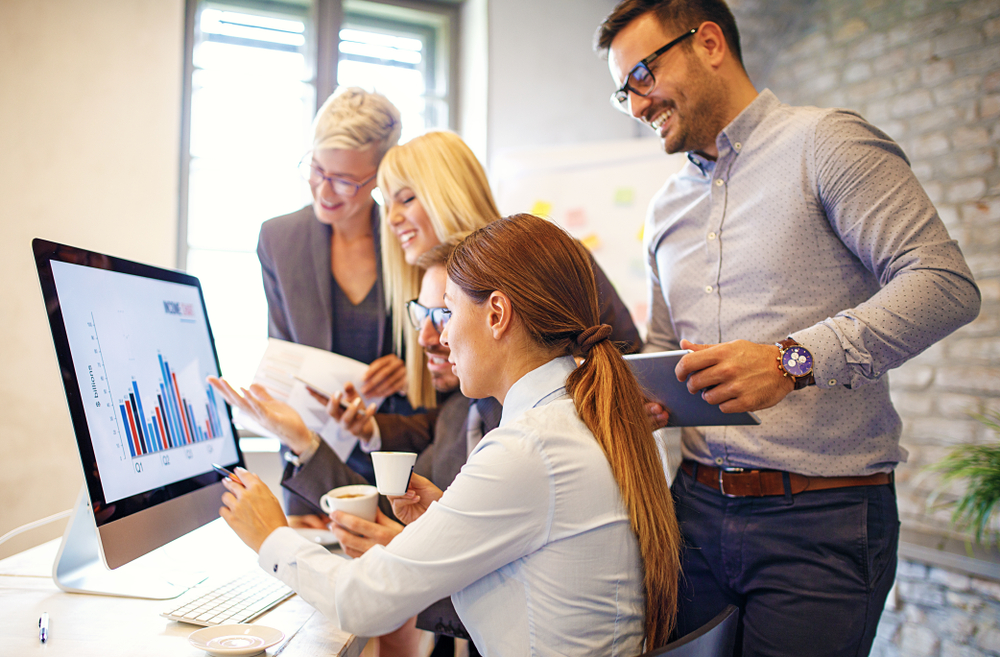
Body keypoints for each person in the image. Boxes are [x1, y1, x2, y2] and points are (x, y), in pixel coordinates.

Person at [596, 0, 982, 655]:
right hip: (693, 512)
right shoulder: (663, 210)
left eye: (642, 75)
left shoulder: (826, 143)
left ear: (709, 43)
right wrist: (650, 393)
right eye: (622, 92)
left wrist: (790, 360)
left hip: (823, 521)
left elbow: (943, 284)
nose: (635, 105)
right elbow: (664, 342)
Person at [217, 213, 683, 655]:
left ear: (497, 314)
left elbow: (360, 602)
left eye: (450, 311)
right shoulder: (585, 418)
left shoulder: (528, 447)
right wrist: (442, 520)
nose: (439, 338)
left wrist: (270, 535)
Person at [377, 130, 642, 411]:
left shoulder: (546, 258)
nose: (391, 219)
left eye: (405, 199)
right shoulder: (422, 288)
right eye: (386, 203)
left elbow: (629, 358)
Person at [256, 87, 413, 522]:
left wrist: (409, 368)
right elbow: (285, 365)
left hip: (399, 462)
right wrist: (301, 481)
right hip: (312, 462)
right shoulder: (278, 241)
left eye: (344, 180)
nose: (324, 190)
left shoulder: (406, 238)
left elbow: (442, 346)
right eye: (316, 168)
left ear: (380, 176)